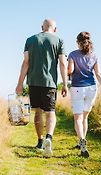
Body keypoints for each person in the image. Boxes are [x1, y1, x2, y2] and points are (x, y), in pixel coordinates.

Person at [15, 19, 68, 158]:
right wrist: (65, 84)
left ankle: (40, 141)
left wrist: (20, 83)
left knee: (38, 112)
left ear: (41, 27)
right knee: (50, 112)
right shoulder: (59, 41)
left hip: (33, 81)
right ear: (54, 29)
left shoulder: (30, 40)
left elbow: (25, 62)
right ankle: (48, 138)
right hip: (49, 83)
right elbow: (63, 63)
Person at [67, 31, 101, 158]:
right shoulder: (94, 56)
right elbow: (99, 74)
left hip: (77, 88)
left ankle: (81, 141)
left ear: (77, 42)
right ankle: (82, 142)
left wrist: (67, 68)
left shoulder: (73, 54)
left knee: (78, 118)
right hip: (92, 88)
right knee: (85, 117)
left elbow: (70, 70)